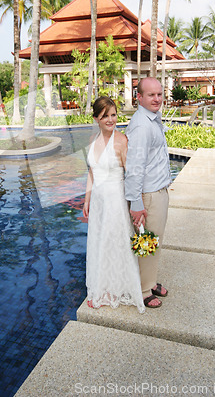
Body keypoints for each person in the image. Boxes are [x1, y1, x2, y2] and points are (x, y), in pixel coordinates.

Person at [83, 96, 145, 314]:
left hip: (116, 200)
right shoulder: (93, 139)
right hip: (98, 202)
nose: (110, 120)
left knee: (113, 241)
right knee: (100, 242)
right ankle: (102, 285)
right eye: (105, 116)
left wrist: (137, 204)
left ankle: (115, 288)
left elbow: (132, 174)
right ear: (96, 118)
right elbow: (92, 171)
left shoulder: (121, 141)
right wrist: (87, 198)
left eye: (113, 114)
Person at [125, 77, 172, 308]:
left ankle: (150, 281)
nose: (157, 99)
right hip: (148, 195)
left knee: (155, 241)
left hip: (159, 191)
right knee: (146, 242)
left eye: (159, 94)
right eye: (151, 95)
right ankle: (143, 290)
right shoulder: (142, 125)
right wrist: (136, 203)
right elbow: (134, 167)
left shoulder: (152, 119)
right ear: (139, 97)